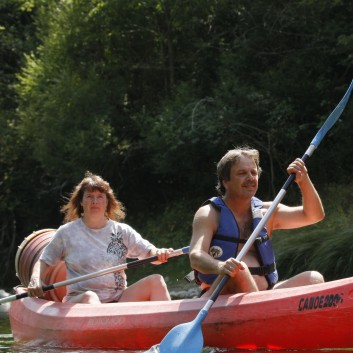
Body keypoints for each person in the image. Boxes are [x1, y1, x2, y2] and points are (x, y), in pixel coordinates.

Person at [189, 147, 325, 297]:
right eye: (242, 173)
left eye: (253, 173)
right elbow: (196, 256)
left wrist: (303, 180)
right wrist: (221, 266)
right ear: (225, 181)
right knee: (239, 270)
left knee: (313, 279)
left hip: (264, 297)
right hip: (219, 298)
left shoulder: (268, 212)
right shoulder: (210, 214)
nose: (250, 178)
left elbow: (313, 215)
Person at [27, 172, 173, 304]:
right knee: (91, 297)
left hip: (118, 299)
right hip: (81, 300)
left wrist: (159, 253)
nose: (95, 202)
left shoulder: (122, 231)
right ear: (81, 202)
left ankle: (172, 330)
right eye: (89, 197)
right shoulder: (66, 233)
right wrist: (36, 279)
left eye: (99, 197)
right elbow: (44, 260)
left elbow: (149, 253)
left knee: (156, 281)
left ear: (107, 202)